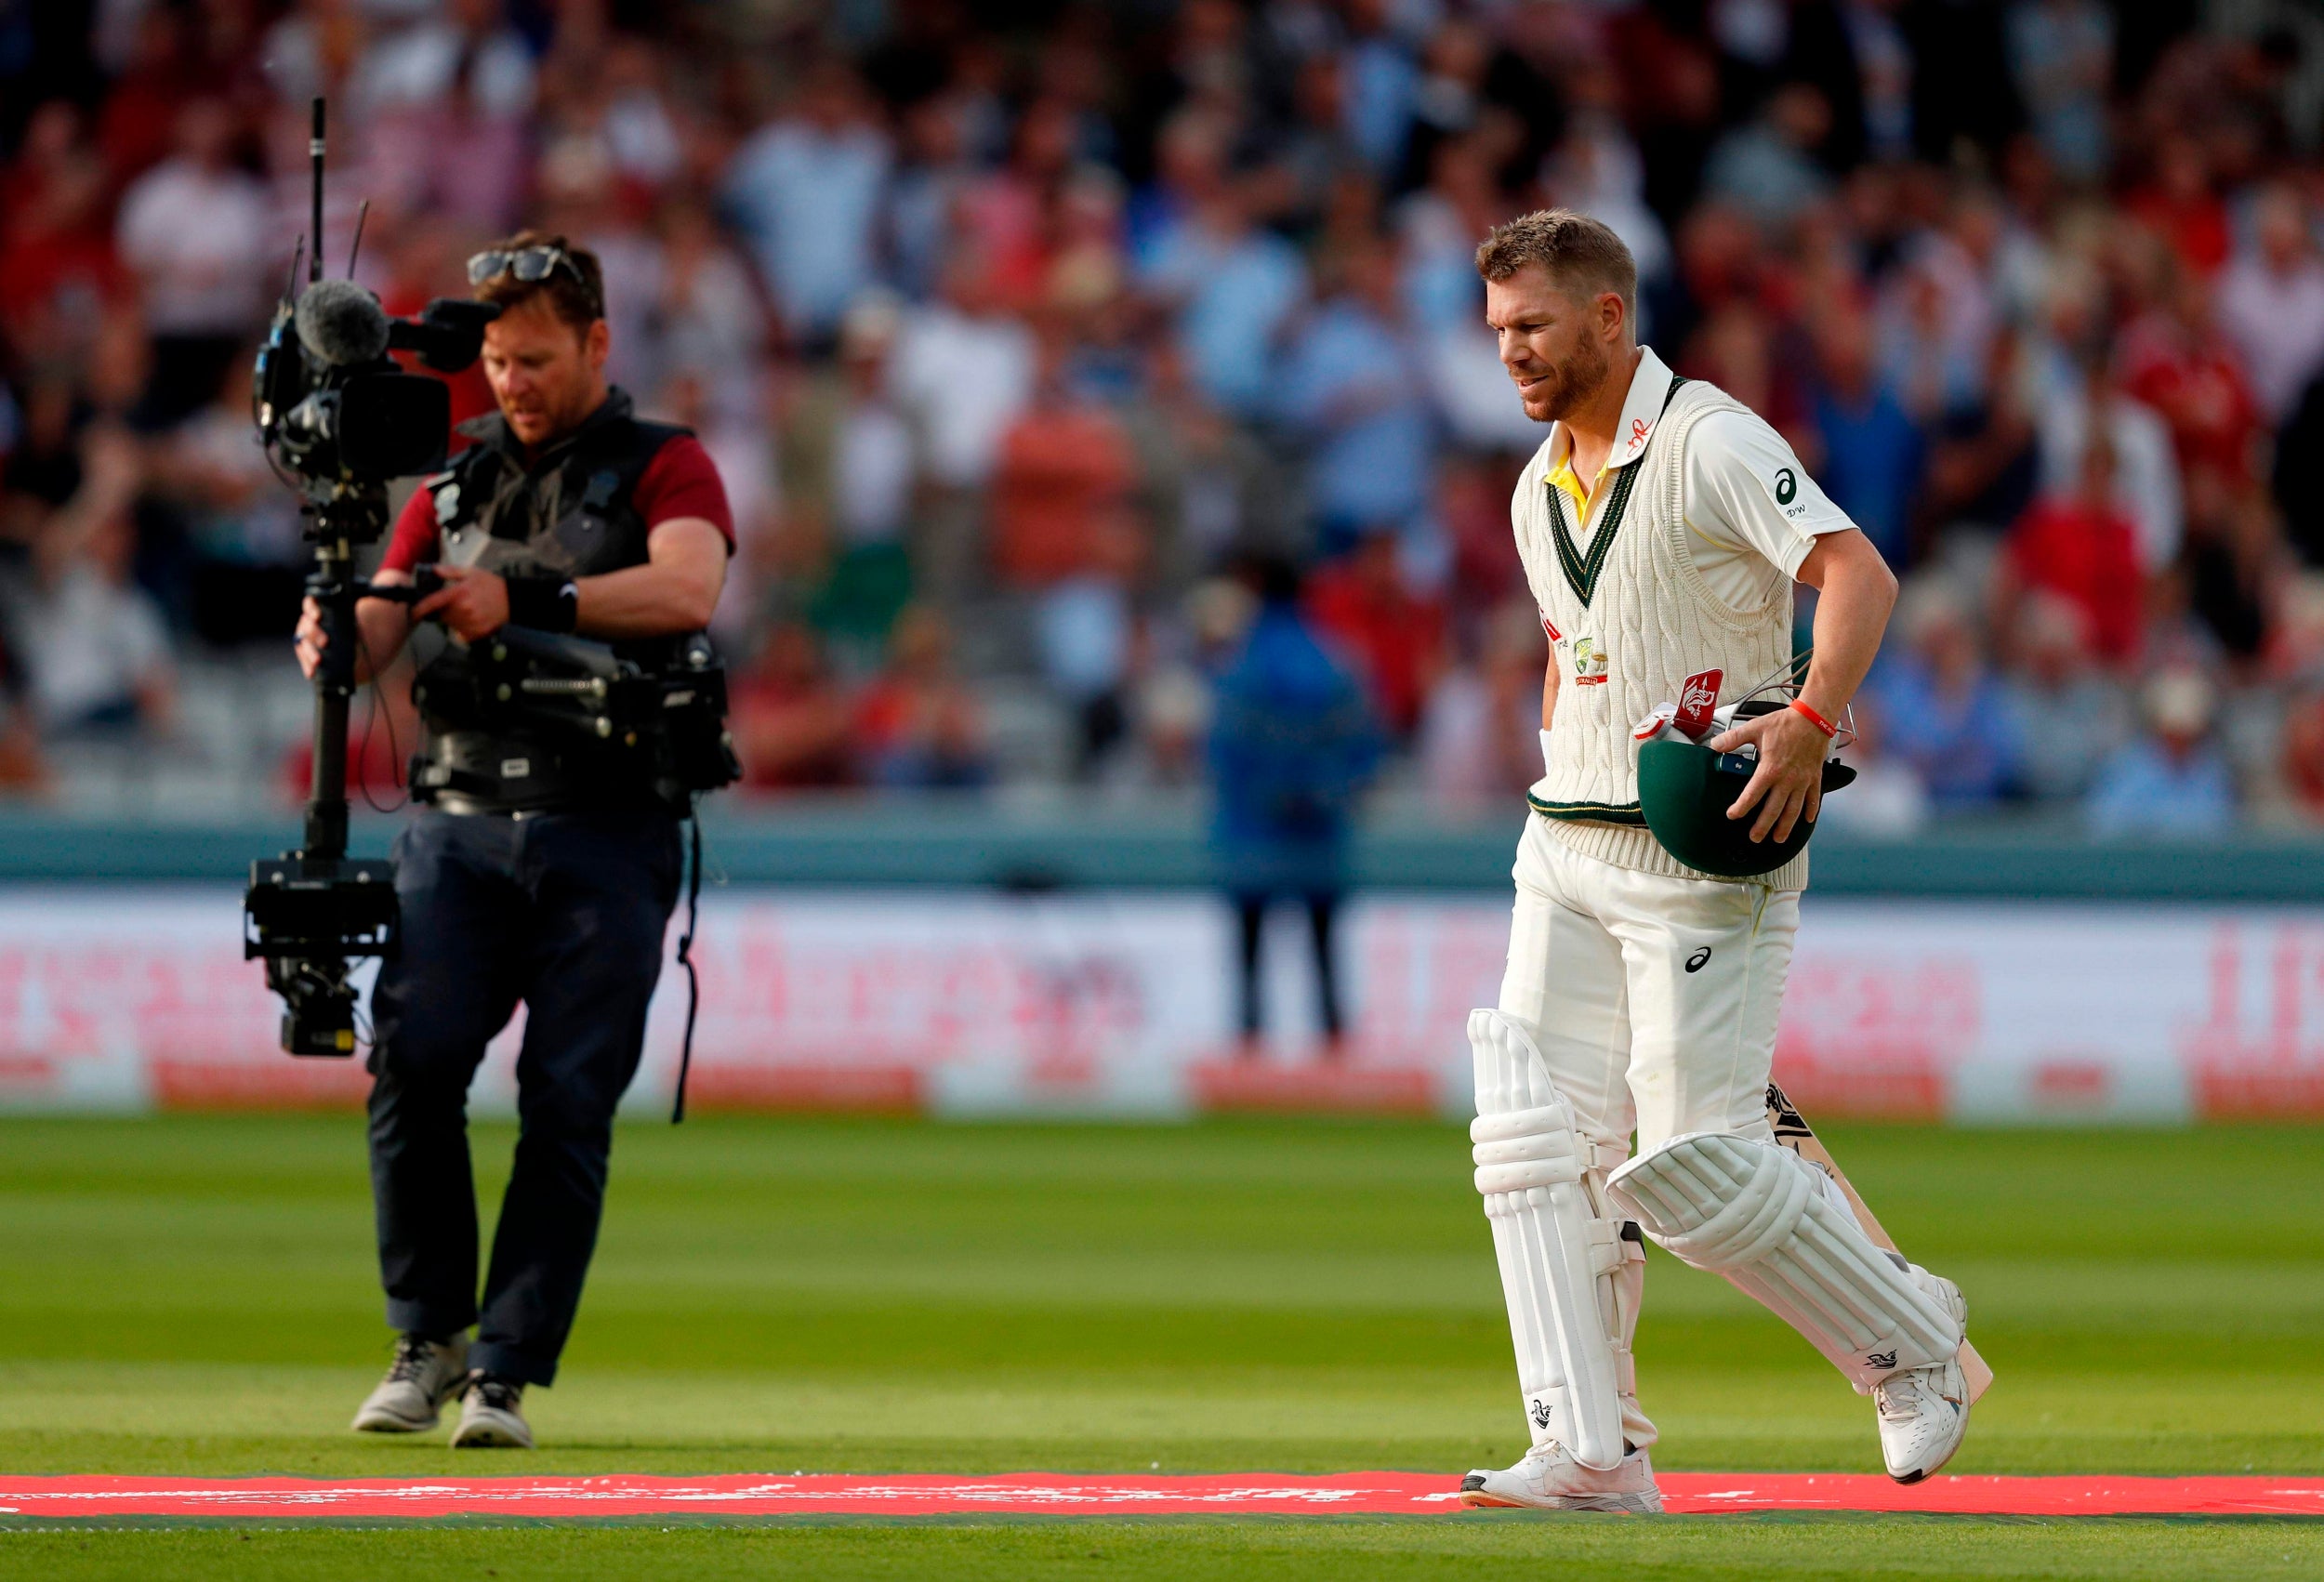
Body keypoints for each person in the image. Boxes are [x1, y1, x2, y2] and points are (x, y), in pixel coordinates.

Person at [1459, 210, 1967, 1512]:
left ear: (1609, 317)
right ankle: (1589, 1448)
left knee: (1693, 1167)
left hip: (1702, 850)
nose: (1510, 352)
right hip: (1560, 841)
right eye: (1499, 329)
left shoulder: (1708, 441)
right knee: (1535, 1140)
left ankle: (1916, 1346)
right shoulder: (1534, 488)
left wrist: (1806, 723)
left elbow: (1857, 572)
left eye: (1533, 326)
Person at [293, 231, 732, 1449]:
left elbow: (689, 590)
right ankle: (425, 1334)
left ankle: (505, 1369)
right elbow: (378, 636)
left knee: (567, 1097)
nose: (511, 384)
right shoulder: (445, 483)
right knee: (415, 1061)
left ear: (598, 343)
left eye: (535, 359)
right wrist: (336, 624)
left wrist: (523, 599)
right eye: (494, 361)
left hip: (609, 822)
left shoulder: (668, 463)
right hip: (461, 818)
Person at [1207, 555, 1379, 1060]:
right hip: (1320, 837)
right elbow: (1364, 750)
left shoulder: (1239, 669)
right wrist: (1321, 790)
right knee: (1325, 957)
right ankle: (1334, 1059)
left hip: (1253, 837)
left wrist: (1271, 792)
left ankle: (1248, 1055)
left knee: (1250, 960)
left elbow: (1225, 754)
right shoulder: (1337, 664)